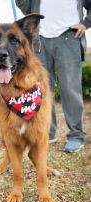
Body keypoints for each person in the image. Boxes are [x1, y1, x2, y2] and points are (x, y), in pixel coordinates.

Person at [15, 0, 91, 152]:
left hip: (69, 36)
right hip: (39, 40)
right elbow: (27, 8)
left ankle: (76, 135)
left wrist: (86, 22)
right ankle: (47, 132)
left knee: (70, 89)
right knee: (41, 90)